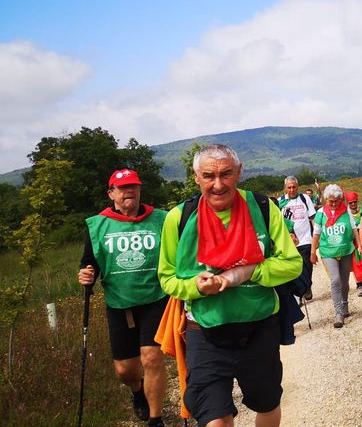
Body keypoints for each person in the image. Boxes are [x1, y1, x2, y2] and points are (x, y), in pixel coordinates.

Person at [158, 144, 301, 427]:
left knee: (267, 404)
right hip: (204, 332)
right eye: (208, 176)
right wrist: (197, 287)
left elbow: (292, 264)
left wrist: (249, 272)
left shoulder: (262, 208)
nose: (218, 184)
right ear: (196, 177)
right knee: (215, 420)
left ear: (239, 172)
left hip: (259, 328)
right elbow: (167, 278)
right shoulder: (179, 217)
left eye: (226, 174)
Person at [77, 169, 169, 427]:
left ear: (140, 190)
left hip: (156, 299)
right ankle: (137, 391)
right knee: (125, 371)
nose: (129, 191)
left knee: (152, 358)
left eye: (134, 186)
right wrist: (86, 275)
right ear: (111, 193)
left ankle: (156, 419)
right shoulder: (97, 225)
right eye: (123, 187)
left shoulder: (162, 219)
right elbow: (89, 262)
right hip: (119, 304)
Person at [311, 184, 361, 328]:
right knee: (335, 279)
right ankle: (338, 313)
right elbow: (316, 234)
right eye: (330, 201)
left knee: (344, 281)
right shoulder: (321, 213)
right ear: (326, 199)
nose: (333, 204)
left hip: (345, 250)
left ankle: (345, 304)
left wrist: (359, 245)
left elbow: (354, 229)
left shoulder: (346, 211)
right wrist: (313, 251)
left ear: (340, 199)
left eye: (336, 201)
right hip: (328, 252)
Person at [279, 176, 317, 300]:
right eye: (289, 187)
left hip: (306, 239)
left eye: (294, 187)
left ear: (298, 187)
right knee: (294, 268)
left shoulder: (305, 198)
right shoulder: (280, 201)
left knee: (307, 266)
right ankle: (298, 293)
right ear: (285, 188)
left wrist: (316, 237)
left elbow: (312, 218)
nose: (292, 190)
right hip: (289, 242)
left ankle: (307, 285)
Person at [346, 190, 362, 297]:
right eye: (350, 203)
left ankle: (361, 284)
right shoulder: (345, 213)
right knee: (352, 263)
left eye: (354, 202)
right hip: (350, 242)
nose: (353, 204)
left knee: (360, 262)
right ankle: (354, 285)